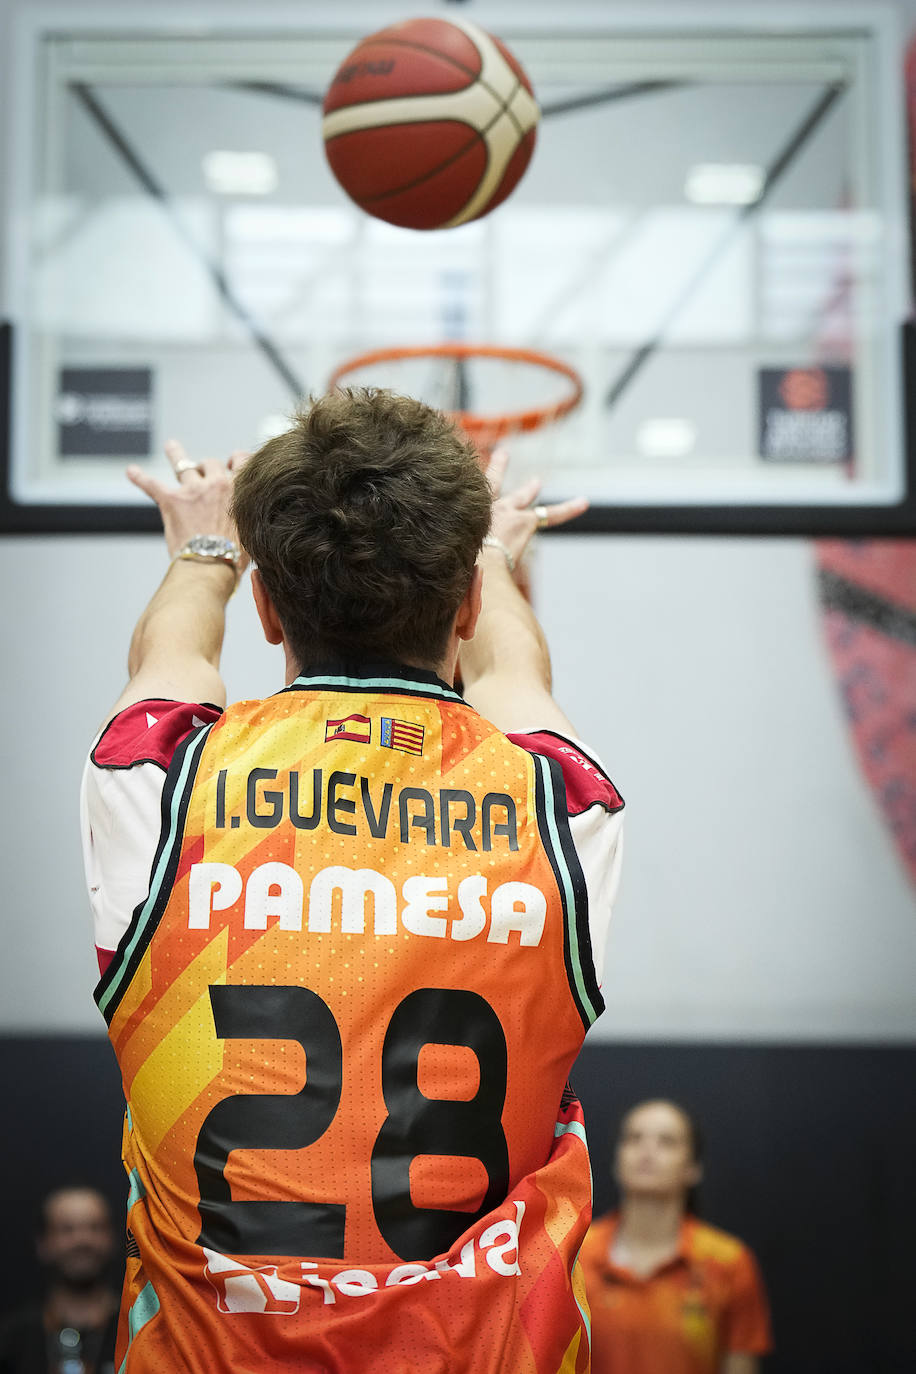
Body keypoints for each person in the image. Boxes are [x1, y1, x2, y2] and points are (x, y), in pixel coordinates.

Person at [79, 389, 625, 1373]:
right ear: (460, 604)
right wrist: (494, 556)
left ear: (266, 607)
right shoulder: (564, 808)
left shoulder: (156, 787)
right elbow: (516, 681)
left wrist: (204, 543)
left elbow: (171, 655)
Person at [580, 1099, 772, 1374]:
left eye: (666, 1141)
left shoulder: (728, 1262)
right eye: (634, 1139)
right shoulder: (575, 1256)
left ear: (693, 1168)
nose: (647, 1151)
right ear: (617, 1160)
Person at [0, 1187, 118, 1374]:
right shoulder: (12, 1341)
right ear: (43, 1243)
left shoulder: (139, 1333)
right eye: (67, 1230)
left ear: (112, 1239)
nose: (82, 1239)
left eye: (95, 1228)